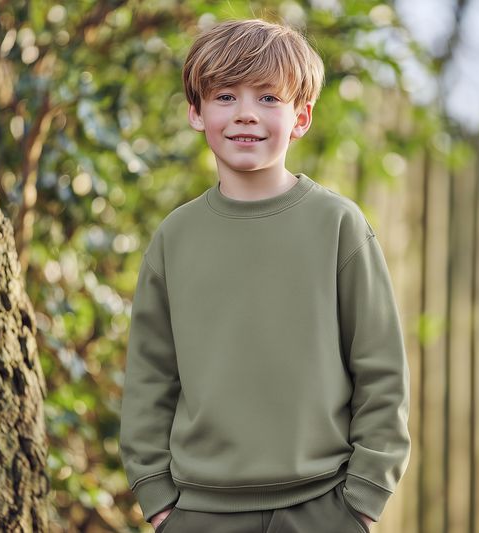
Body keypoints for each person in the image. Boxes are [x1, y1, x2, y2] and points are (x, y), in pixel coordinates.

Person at [119, 17, 410, 533]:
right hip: (197, 511)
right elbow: (149, 375)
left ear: (302, 116)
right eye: (225, 96)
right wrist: (157, 497)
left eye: (269, 98)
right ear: (195, 111)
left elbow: (380, 366)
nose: (246, 114)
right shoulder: (175, 237)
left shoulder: (338, 225)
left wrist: (364, 498)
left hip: (323, 504)